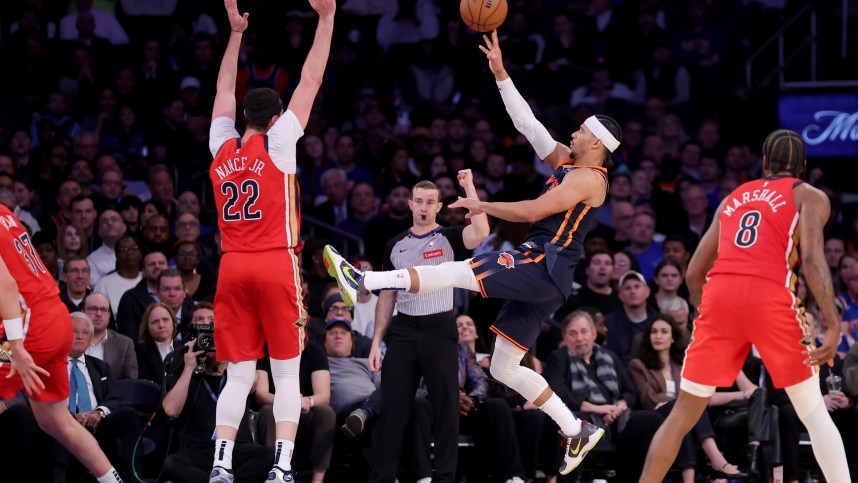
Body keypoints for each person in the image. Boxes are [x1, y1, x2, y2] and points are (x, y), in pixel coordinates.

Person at [324, 29, 622, 476]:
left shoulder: (590, 178)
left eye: (581, 130)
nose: (573, 132)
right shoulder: (571, 164)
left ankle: (364, 280)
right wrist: (501, 74)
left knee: (461, 270)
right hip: (548, 274)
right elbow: (529, 126)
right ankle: (575, 428)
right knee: (504, 367)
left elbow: (537, 208)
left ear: (595, 143)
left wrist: (482, 204)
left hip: (545, 262)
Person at [639, 130, 852, 483]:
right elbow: (814, 260)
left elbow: (694, 273)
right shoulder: (809, 195)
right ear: (801, 167)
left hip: (720, 293)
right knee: (814, 413)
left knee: (681, 416)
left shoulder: (733, 197)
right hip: (770, 294)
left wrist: (705, 313)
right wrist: (831, 323)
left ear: (765, 164)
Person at [206, 0, 335, 481]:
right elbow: (312, 80)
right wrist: (326, 19)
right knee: (284, 374)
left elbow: (221, 88)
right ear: (278, 116)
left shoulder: (221, 144)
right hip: (275, 262)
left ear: (243, 112)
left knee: (239, 375)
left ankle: (221, 463)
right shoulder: (280, 142)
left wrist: (235, 34)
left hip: (232, 264)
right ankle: (281, 468)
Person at [334, 173, 489, 483]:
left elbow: (482, 231)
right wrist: (377, 340)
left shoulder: (450, 237)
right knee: (392, 410)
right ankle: (381, 477)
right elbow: (386, 297)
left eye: (430, 202)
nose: (423, 207)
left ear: (439, 206)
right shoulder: (395, 244)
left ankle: (444, 478)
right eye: (418, 201)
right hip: (404, 330)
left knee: (446, 408)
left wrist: (469, 188)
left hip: (439, 327)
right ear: (409, 204)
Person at [0, 203, 125, 482]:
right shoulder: (5, 213)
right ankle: (113, 480)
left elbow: (6, 286)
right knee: (56, 421)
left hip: (28, 329)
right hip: (56, 319)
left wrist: (17, 346)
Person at [543, 311, 664, 481]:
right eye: (573, 333)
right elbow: (559, 393)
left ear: (593, 333)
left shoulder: (609, 356)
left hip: (616, 420)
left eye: (584, 332)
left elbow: (629, 390)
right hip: (585, 418)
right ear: (564, 337)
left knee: (653, 420)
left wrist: (618, 408)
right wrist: (599, 409)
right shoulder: (559, 358)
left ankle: (638, 478)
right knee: (574, 421)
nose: (579, 338)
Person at [629, 315, 744, 482]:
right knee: (687, 406)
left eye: (663, 332)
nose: (658, 336)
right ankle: (715, 458)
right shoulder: (638, 365)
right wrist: (677, 400)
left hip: (678, 415)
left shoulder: (682, 365)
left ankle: (689, 478)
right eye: (654, 332)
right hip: (654, 417)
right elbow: (649, 398)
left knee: (687, 409)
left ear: (673, 337)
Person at [83, 292, 138, 380]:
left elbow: (130, 383)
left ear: (109, 315)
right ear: (83, 312)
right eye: (93, 309)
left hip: (113, 393)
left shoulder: (125, 344)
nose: (99, 314)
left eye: (104, 309)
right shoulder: (70, 341)